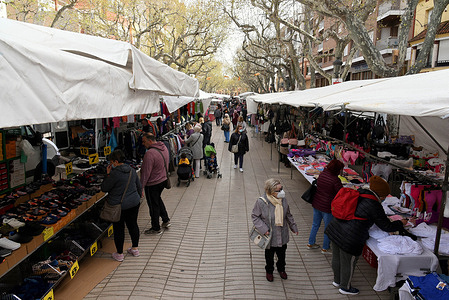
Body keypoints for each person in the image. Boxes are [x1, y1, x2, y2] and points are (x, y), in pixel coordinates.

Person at [325, 176, 408, 295]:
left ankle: (337, 281)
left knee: (337, 257)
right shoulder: (374, 204)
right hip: (350, 236)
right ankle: (345, 287)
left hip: (336, 228)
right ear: (380, 195)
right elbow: (386, 226)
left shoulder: (359, 193)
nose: (384, 199)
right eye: (384, 196)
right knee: (349, 262)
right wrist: (401, 222)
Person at [252, 178, 298, 282]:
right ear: (271, 191)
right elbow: (255, 216)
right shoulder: (261, 202)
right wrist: (264, 229)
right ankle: (269, 271)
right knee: (269, 256)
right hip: (269, 236)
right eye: (278, 190)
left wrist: (293, 226)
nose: (282, 192)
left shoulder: (283, 200)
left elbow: (288, 215)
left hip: (282, 234)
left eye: (281, 189)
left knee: (282, 255)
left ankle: (281, 269)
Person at [101, 149, 142, 261]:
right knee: (133, 225)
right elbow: (139, 186)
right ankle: (135, 249)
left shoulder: (114, 174)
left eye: (111, 162)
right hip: (134, 203)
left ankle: (119, 254)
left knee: (119, 229)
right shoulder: (132, 170)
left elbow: (104, 188)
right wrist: (137, 198)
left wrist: (107, 174)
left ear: (115, 162)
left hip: (119, 206)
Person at [307, 159, 344, 254]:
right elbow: (341, 193)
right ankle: (325, 248)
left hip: (317, 203)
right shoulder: (335, 180)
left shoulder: (322, 174)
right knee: (327, 228)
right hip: (327, 207)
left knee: (315, 224)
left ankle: (310, 243)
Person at [140, 133, 171, 235]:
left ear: (150, 141)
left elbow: (145, 173)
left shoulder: (150, 153)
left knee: (153, 206)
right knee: (157, 200)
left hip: (153, 183)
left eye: (144, 141)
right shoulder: (164, 147)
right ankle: (166, 220)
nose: (143, 144)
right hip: (162, 180)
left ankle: (156, 228)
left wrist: (141, 187)